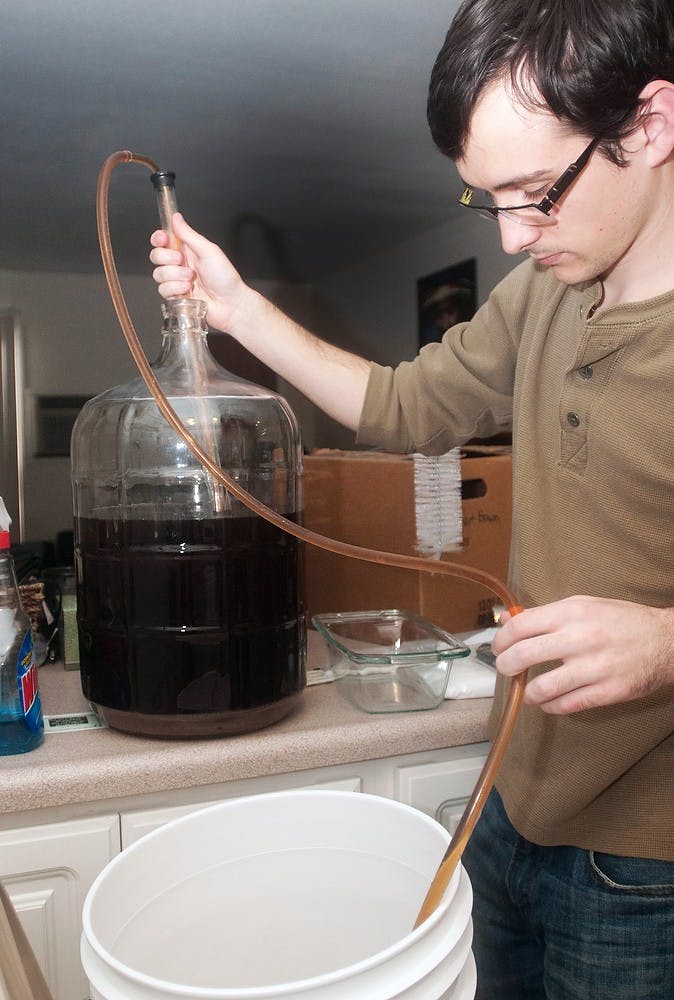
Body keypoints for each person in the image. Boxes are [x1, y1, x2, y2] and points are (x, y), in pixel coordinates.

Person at [150, 1, 674, 995]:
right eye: (486, 202)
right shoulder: (545, 292)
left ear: (647, 126)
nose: (514, 239)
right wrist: (234, 309)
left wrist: (662, 641)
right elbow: (400, 407)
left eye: (535, 194)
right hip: (506, 799)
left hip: (645, 861)